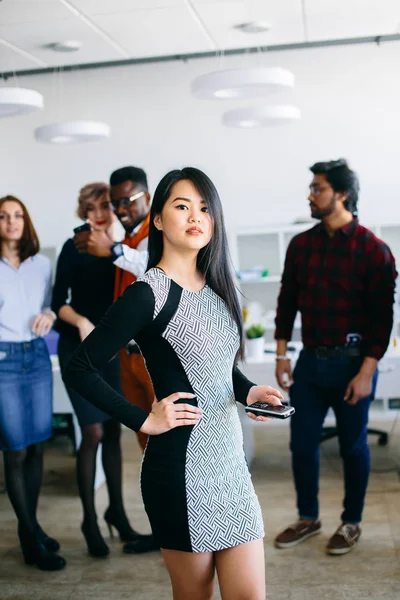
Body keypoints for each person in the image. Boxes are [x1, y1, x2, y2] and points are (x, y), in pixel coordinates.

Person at [64, 167, 284, 600]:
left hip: (230, 468)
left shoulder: (219, 287)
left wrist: (248, 391)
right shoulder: (148, 293)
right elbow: (80, 368)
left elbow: (219, 369)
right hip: (180, 473)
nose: (195, 216)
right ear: (158, 220)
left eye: (204, 208)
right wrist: (143, 419)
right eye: (182, 206)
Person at [274, 159, 397, 555]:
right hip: (310, 362)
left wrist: (366, 372)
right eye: (311, 188)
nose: (311, 195)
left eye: (318, 188)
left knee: (353, 448)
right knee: (301, 445)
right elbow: (286, 303)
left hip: (352, 363)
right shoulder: (301, 245)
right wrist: (281, 355)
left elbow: (383, 319)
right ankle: (308, 517)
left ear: (341, 194)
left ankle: (352, 522)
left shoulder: (374, 250)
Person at [52, 182, 154, 557]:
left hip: (109, 354)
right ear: (83, 212)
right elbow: (56, 301)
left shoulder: (123, 250)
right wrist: (80, 322)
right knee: (91, 432)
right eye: (91, 207)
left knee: (113, 431)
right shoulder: (74, 246)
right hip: (77, 350)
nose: (99, 213)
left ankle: (118, 514)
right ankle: (89, 520)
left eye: (105, 206)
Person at [0, 195, 66, 571]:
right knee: (15, 449)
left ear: (26, 221)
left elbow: (52, 304)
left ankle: (33, 526)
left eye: (18, 215)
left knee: (38, 445)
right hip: (4, 360)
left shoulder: (42, 264)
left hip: (37, 357)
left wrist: (49, 313)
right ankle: (29, 537)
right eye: (4, 216)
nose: (11, 222)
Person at [74, 167, 153, 453]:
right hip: (126, 357)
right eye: (115, 203)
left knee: (170, 440)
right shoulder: (125, 240)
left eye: (127, 201)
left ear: (147, 196)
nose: (121, 210)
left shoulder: (159, 231)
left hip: (152, 357)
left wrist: (114, 251)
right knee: (144, 438)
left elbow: (155, 267)